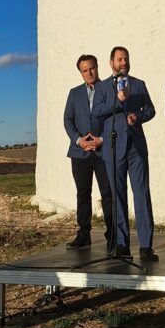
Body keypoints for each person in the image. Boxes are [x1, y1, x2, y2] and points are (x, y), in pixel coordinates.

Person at [92, 46, 157, 261]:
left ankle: (146, 246)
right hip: (113, 147)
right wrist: (119, 101)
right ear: (111, 62)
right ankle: (122, 244)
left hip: (136, 148)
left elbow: (150, 109)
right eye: (120, 59)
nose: (124, 63)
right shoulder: (101, 88)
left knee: (141, 194)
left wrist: (138, 117)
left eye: (126, 59)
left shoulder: (138, 84)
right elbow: (97, 112)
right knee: (117, 197)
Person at [63, 54, 113, 250]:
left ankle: (113, 236)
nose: (89, 73)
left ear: (97, 67)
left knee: (108, 194)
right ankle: (84, 234)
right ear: (80, 72)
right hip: (80, 153)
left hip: (104, 151)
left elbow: (113, 118)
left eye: (91, 68)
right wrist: (79, 140)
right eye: (85, 70)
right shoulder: (74, 93)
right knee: (83, 193)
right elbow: (67, 119)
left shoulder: (108, 89)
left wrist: (102, 140)